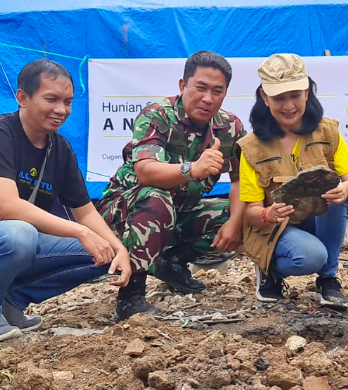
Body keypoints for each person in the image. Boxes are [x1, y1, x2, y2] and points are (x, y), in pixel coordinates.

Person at [0, 59, 131, 345]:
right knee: (20, 234)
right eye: (51, 99)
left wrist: (119, 249)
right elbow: (6, 207)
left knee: (103, 254)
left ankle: (12, 300)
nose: (61, 110)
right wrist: (81, 233)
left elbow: (84, 212)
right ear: (22, 97)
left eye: (68, 102)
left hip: (13, 243)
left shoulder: (59, 148)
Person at [97, 50, 245, 320]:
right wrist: (193, 169)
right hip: (127, 210)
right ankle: (131, 295)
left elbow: (238, 182)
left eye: (217, 91)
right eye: (200, 88)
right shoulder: (157, 116)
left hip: (180, 211)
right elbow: (146, 172)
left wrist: (235, 221)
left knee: (241, 215)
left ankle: (172, 262)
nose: (207, 98)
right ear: (183, 85)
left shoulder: (230, 128)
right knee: (156, 198)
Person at [237, 54, 348, 308]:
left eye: (295, 95)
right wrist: (268, 214)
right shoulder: (251, 148)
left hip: (315, 220)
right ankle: (269, 271)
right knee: (310, 256)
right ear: (264, 97)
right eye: (279, 98)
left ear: (307, 92)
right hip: (275, 229)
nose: (288, 106)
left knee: (337, 200)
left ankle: (328, 280)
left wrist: (344, 189)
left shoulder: (328, 132)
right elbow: (250, 213)